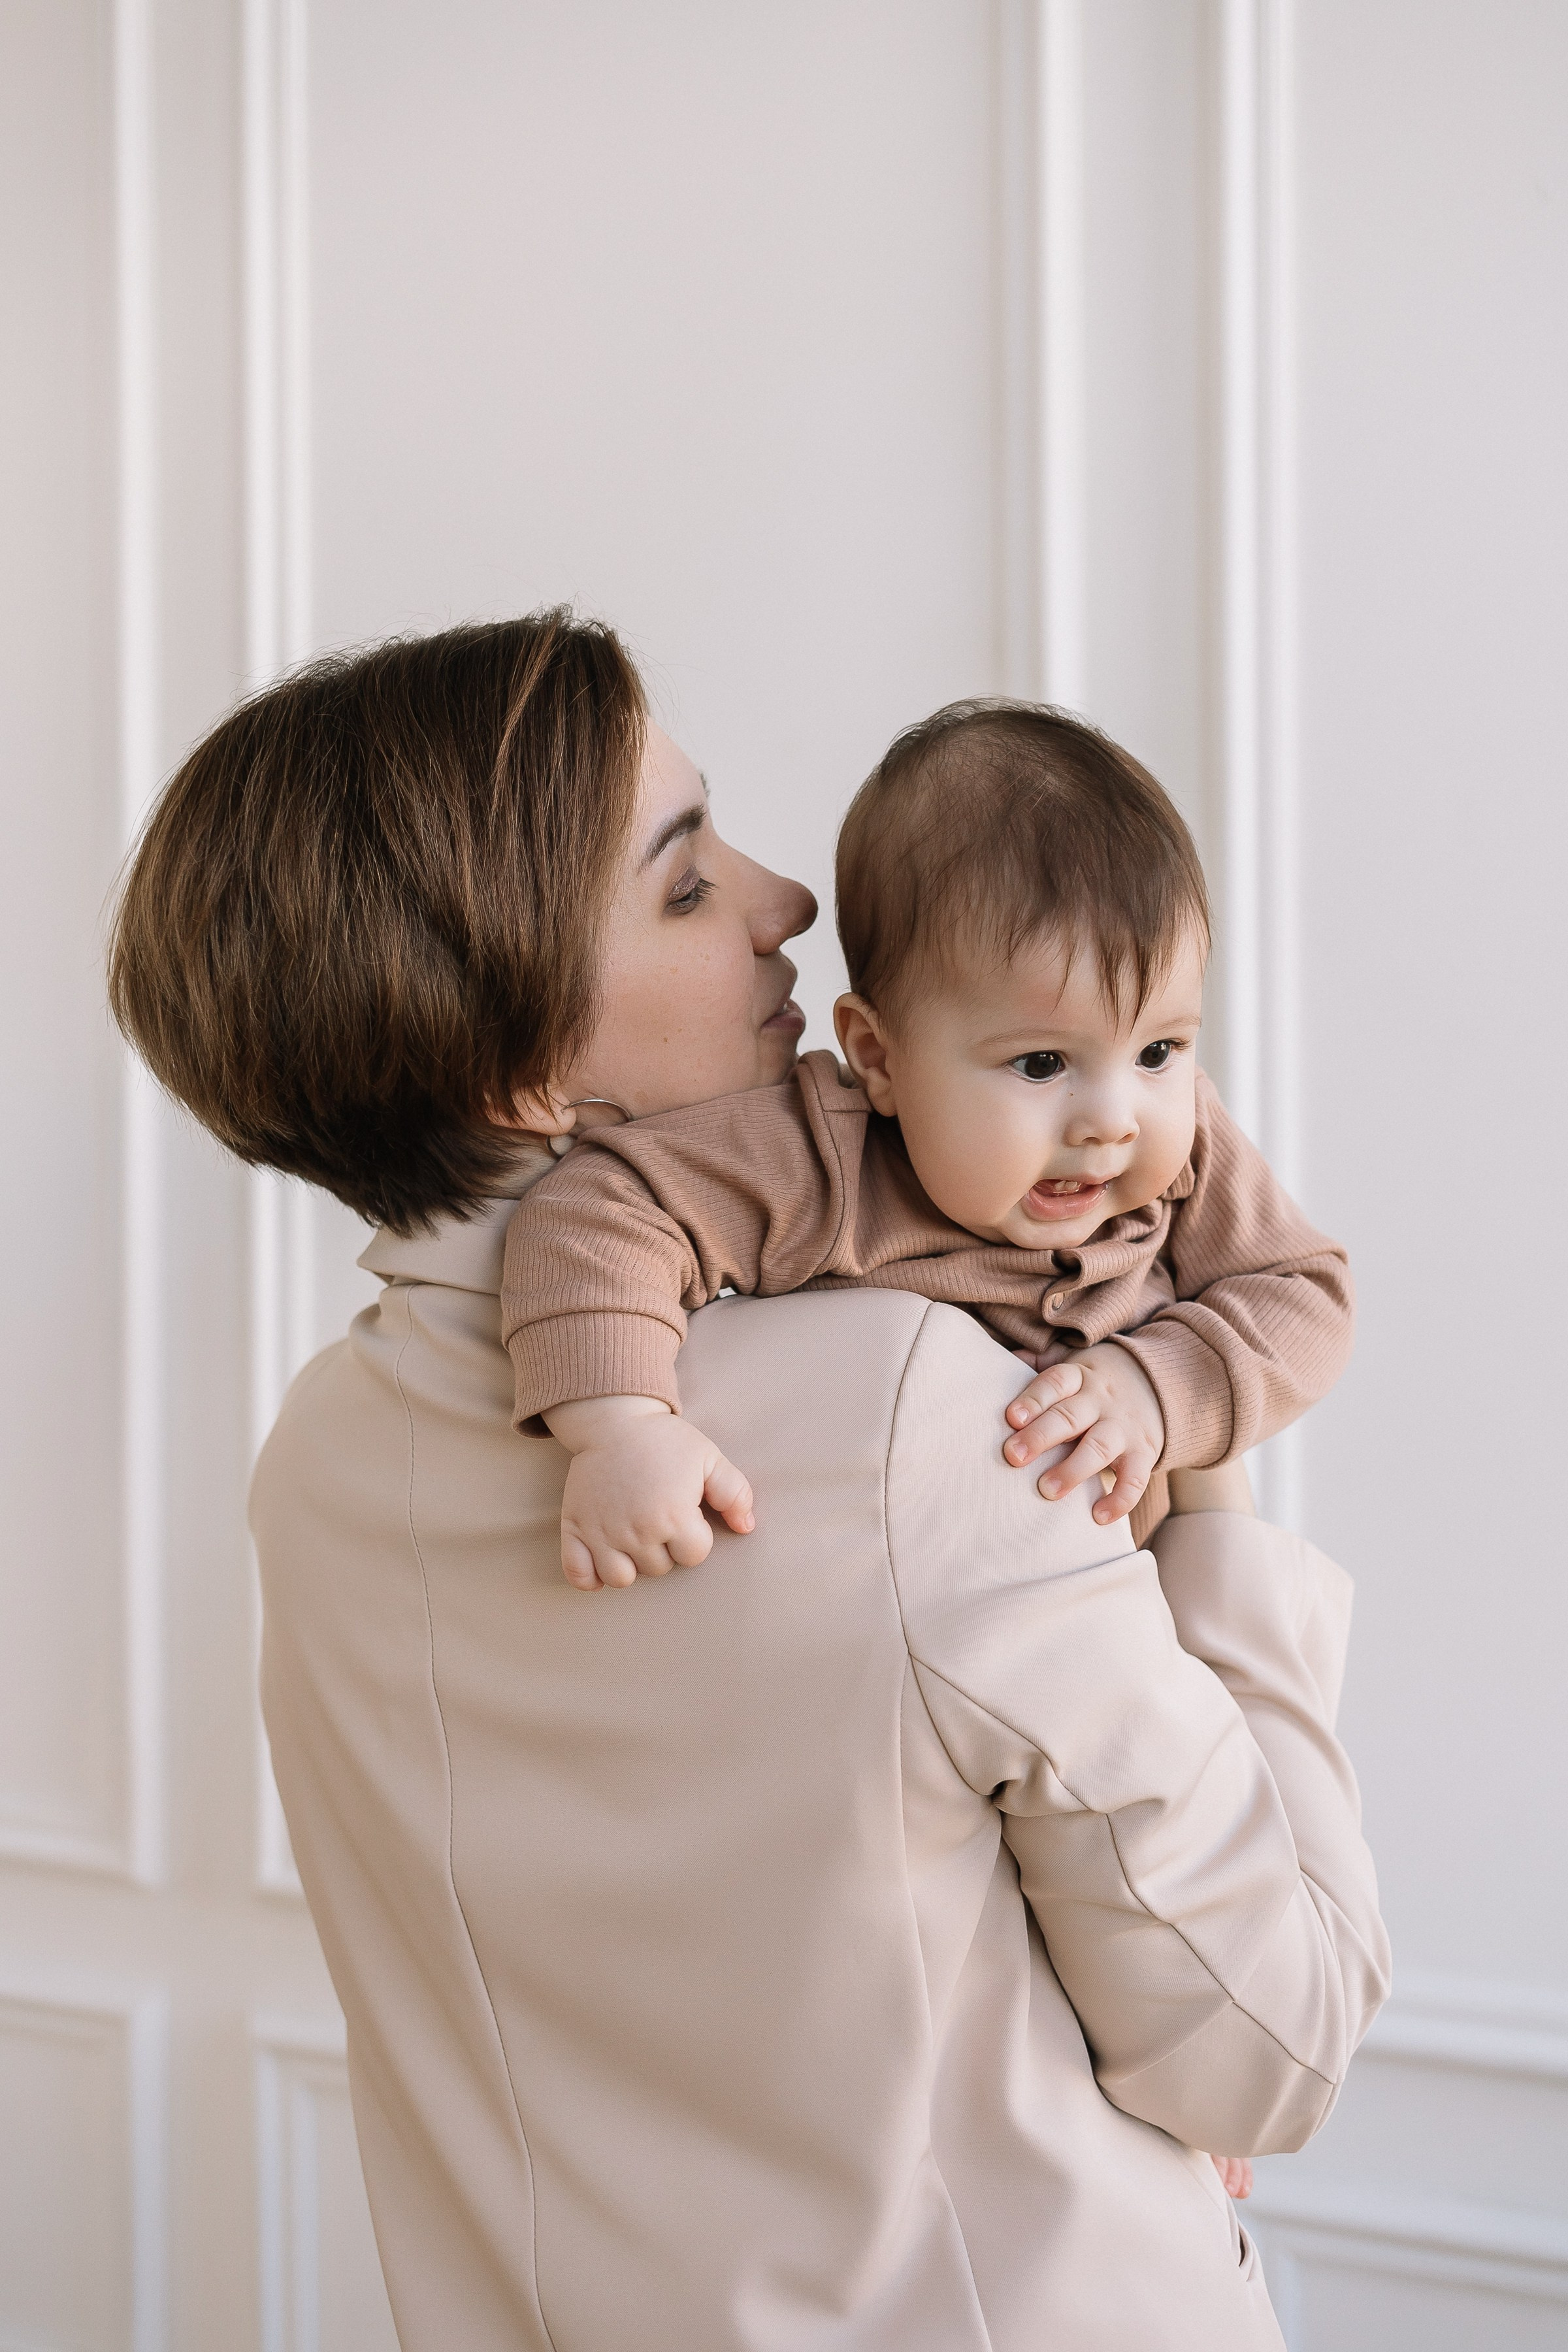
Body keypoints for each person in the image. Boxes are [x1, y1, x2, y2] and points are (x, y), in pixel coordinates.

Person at [108, 612, 1389, 2349]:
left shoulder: (315, 1471)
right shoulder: (918, 1415)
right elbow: (1274, 2046)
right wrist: (1209, 1469)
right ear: (524, 1073)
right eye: (689, 883)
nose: (786, 900)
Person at [499, 704, 1352, 1593]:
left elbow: (1304, 1291)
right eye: (1042, 1063)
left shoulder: (1188, 1141)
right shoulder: (820, 1157)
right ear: (879, 1059)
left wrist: (1157, 1383)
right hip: (933, 1611)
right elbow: (598, 1216)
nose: (1114, 1120)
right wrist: (622, 1426)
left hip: (1153, 1608)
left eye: (1159, 1050)